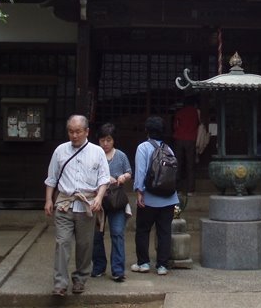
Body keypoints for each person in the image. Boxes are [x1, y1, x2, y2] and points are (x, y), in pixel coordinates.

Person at [44, 115, 110, 296]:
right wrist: (49, 200)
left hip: (87, 206)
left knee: (84, 245)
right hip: (64, 204)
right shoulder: (60, 151)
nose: (74, 136)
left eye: (78, 132)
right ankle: (60, 284)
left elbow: (104, 179)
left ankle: (80, 279)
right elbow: (52, 178)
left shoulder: (97, 152)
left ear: (87, 131)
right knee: (62, 242)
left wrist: (99, 198)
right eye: (71, 132)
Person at [131, 115, 179, 276]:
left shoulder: (143, 147)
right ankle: (162, 265)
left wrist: (139, 191)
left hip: (149, 198)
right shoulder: (168, 149)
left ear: (147, 131)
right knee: (164, 231)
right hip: (169, 198)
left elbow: (140, 171)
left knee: (143, 230)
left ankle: (144, 263)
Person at [91, 123, 132, 282]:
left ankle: (118, 270)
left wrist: (123, 177)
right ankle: (99, 267)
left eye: (109, 140)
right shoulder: (93, 155)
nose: (105, 143)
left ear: (114, 140)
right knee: (96, 236)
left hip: (116, 199)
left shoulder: (121, 156)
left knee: (117, 233)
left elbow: (129, 172)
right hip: (97, 200)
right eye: (102, 140)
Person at [172, 101, 200, 195]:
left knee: (178, 164)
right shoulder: (196, 112)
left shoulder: (179, 112)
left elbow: (176, 126)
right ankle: (190, 190)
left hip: (179, 139)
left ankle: (177, 189)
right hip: (191, 139)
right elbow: (199, 124)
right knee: (190, 165)